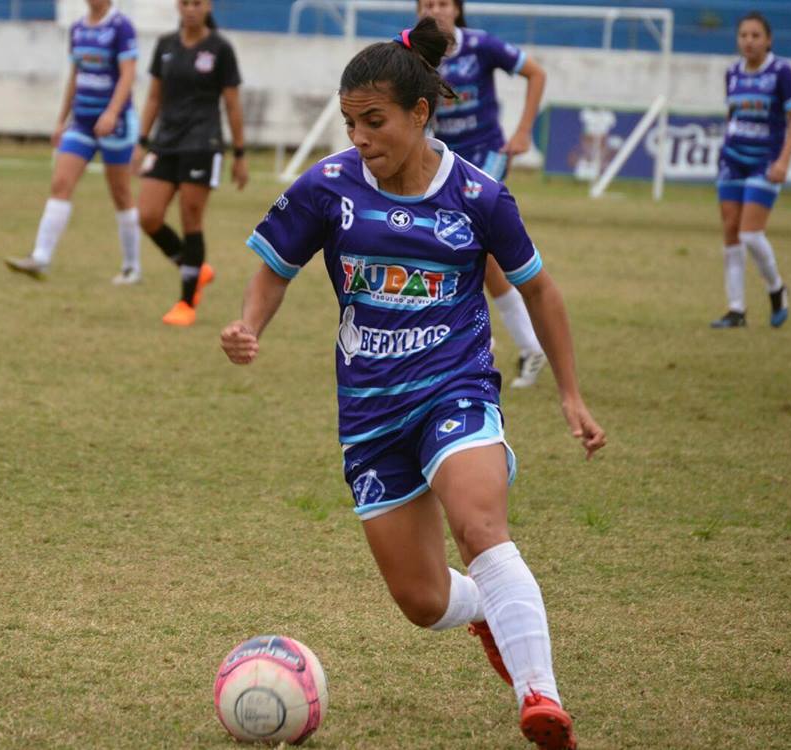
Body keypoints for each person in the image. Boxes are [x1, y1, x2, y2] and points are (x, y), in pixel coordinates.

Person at [220, 18, 605, 750]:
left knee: (482, 526)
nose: (361, 137)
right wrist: (249, 326)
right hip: (369, 412)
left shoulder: (480, 197)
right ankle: (488, 611)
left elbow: (541, 292)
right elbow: (275, 265)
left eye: (376, 121)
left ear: (419, 114)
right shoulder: (327, 188)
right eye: (351, 123)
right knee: (423, 601)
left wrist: (570, 394)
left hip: (456, 387)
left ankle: (541, 698)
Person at [418, 0, 548, 387]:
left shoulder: (483, 45)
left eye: (442, 3)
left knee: (477, 246)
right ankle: (508, 345)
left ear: (456, 10)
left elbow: (536, 73)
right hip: (444, 161)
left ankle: (503, 343)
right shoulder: (414, 51)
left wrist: (524, 131)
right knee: (458, 249)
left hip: (487, 154)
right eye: (426, 3)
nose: (434, 10)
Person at [5, 0, 141, 284]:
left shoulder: (121, 27)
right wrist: (61, 120)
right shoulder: (78, 28)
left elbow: (128, 74)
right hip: (81, 122)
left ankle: (131, 266)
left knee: (120, 192)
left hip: (113, 125)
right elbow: (75, 76)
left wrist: (112, 113)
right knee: (60, 183)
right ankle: (40, 257)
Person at [132, 0, 248, 327]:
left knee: (190, 217)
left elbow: (232, 104)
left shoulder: (220, 48)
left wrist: (239, 154)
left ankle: (185, 302)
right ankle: (195, 266)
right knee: (148, 215)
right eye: (184, 3)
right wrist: (141, 141)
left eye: (196, 3)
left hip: (203, 143)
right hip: (166, 142)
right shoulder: (165, 45)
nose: (190, 10)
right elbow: (154, 96)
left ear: (207, 6)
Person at [711, 11, 791, 329]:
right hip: (733, 158)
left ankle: (776, 288)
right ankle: (736, 310)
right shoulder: (732, 72)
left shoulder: (781, 72)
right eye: (743, 36)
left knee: (750, 232)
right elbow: (732, 114)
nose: (749, 41)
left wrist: (783, 161)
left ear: (768, 39)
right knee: (731, 230)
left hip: (765, 161)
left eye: (755, 36)